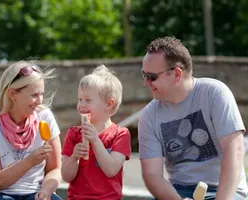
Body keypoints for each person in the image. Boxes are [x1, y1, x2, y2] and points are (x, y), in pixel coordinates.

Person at [138, 36, 247, 200]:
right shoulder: (148, 115)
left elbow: (235, 151)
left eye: (151, 77)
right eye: (144, 75)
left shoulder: (215, 93)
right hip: (178, 193)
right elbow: (152, 175)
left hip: (225, 191)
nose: (146, 83)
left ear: (176, 74)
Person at [0, 61, 62, 200]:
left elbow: (55, 169)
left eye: (41, 94)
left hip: (35, 192)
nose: (40, 101)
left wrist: (46, 191)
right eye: (34, 95)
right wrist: (30, 161)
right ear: (12, 94)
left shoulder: (44, 116)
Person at [61, 65, 131, 200]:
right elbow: (66, 177)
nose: (81, 104)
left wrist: (95, 140)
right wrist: (74, 157)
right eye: (79, 99)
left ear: (108, 104)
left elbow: (111, 170)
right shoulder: (74, 134)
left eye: (88, 100)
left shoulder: (120, 134)